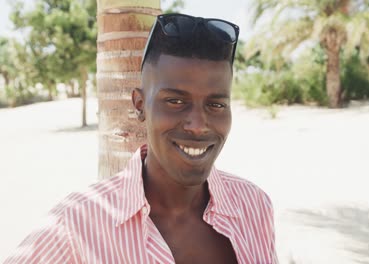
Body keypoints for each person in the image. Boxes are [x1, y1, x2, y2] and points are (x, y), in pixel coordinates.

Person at [4, 13, 277, 264]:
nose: (197, 126)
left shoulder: (253, 206)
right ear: (139, 105)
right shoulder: (77, 223)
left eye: (216, 105)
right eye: (175, 101)